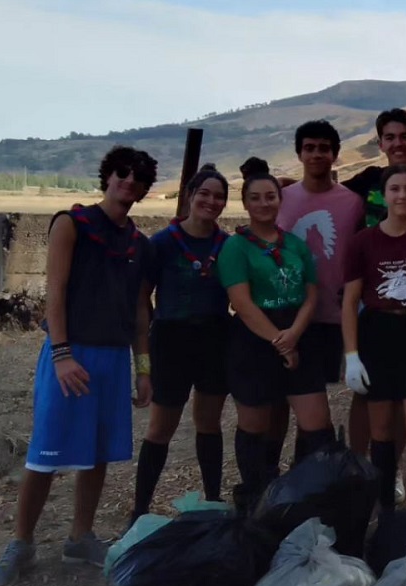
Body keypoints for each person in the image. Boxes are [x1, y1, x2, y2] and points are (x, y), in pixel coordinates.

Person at [0, 146, 157, 586]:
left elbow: (141, 312)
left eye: (138, 177)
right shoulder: (72, 223)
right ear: (108, 176)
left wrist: (143, 368)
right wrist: (61, 355)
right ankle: (21, 543)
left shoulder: (139, 244)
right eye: (122, 172)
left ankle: (80, 537)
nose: (129, 181)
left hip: (113, 356)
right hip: (70, 352)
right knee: (45, 452)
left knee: (97, 452)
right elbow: (55, 294)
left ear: (144, 189)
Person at [340, 108, 406, 502]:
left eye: (405, 136)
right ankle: (359, 469)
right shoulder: (363, 183)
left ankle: (394, 470)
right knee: (366, 395)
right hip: (370, 310)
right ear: (380, 143)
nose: (398, 142)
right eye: (390, 136)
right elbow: (324, 191)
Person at [219, 158, 334, 513]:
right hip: (255, 340)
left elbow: (312, 292)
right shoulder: (235, 248)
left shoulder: (296, 244)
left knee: (317, 422)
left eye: (271, 196)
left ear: (279, 200)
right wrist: (279, 342)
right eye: (256, 198)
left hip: (299, 333)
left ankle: (308, 494)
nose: (265, 203)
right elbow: (242, 302)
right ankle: (258, 496)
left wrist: (295, 334)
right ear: (246, 203)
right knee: (255, 424)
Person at [131, 164, 231, 522]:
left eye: (219, 196)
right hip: (171, 340)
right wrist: (142, 362)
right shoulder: (161, 244)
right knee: (161, 427)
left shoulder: (228, 246)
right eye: (204, 193)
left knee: (208, 421)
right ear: (189, 195)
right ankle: (140, 509)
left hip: (215, 338)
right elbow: (142, 302)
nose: (211, 201)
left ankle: (213, 501)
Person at [272, 120, 365, 470]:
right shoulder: (282, 196)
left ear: (335, 155)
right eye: (309, 147)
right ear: (299, 153)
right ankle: (269, 479)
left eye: (324, 148)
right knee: (278, 401)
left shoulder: (353, 203)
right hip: (286, 316)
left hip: (330, 315)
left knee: (312, 399)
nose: (316, 154)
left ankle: (305, 478)